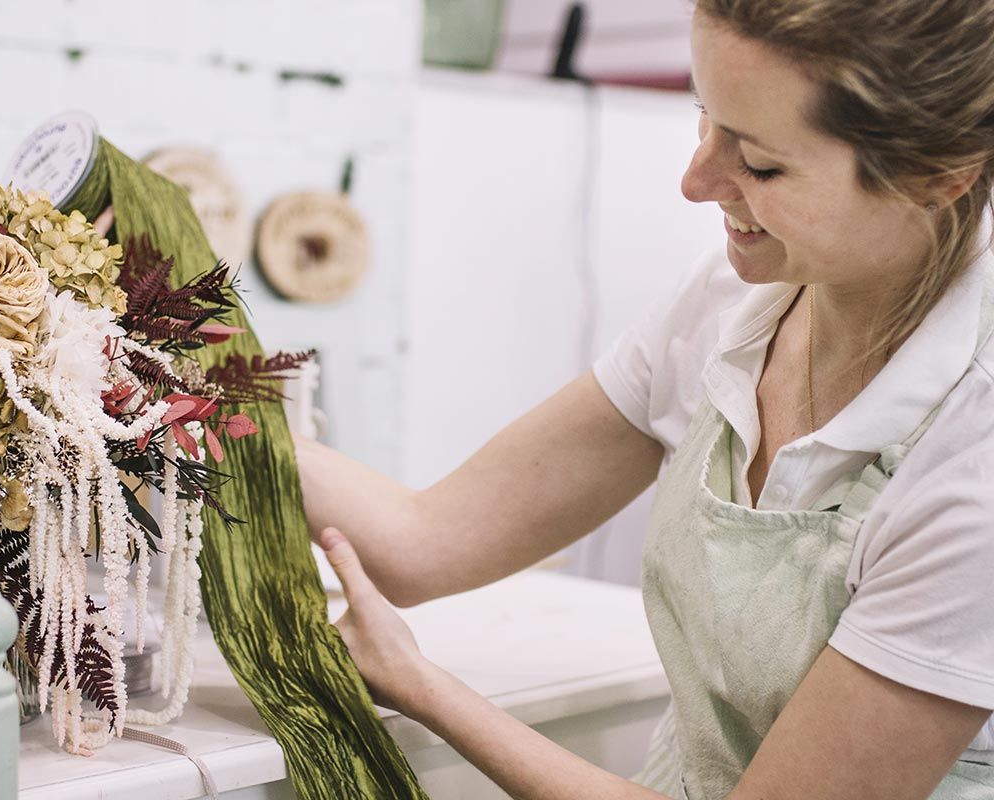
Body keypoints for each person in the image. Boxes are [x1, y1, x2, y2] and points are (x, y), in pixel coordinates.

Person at [295, 1, 994, 797]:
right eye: (705, 113)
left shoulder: (974, 469)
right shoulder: (731, 302)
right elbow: (425, 542)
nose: (695, 181)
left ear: (940, 177)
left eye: (760, 164)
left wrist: (422, 688)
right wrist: (181, 403)